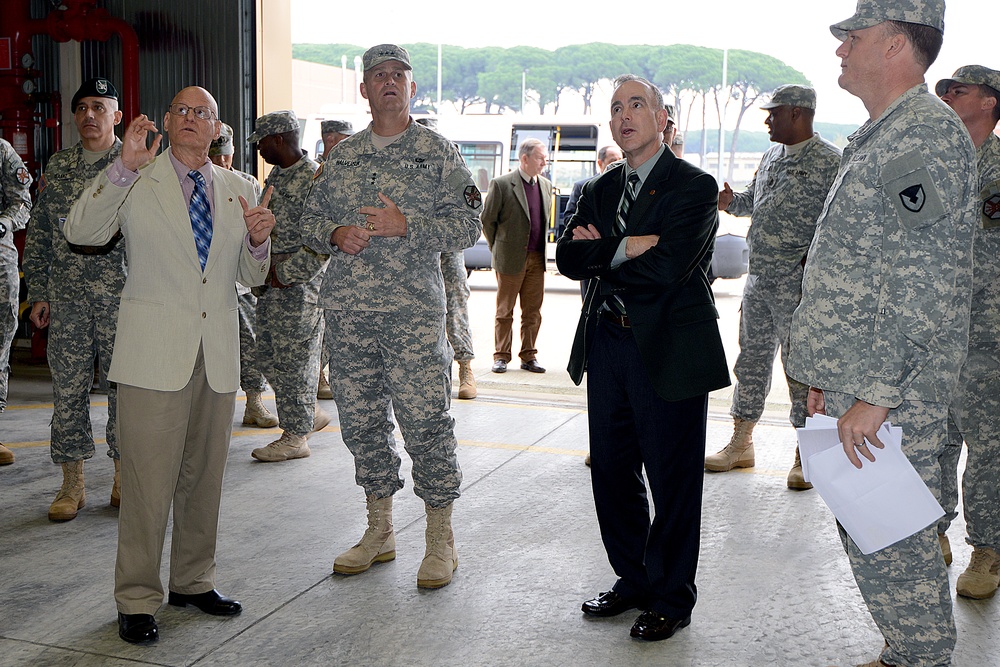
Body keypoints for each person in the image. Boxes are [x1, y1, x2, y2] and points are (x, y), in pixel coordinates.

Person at [786, 3, 978, 665]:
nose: (840, 49)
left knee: (897, 546)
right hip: (858, 384)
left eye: (854, 37)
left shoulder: (920, 135)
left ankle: (922, 656)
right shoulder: (881, 134)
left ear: (895, 43)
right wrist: (826, 377)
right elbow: (862, 272)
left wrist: (874, 392)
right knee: (874, 537)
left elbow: (925, 279)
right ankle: (903, 653)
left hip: (894, 396)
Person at [64, 85, 275, 644]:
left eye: (201, 113)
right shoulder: (137, 179)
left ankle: (192, 580)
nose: (190, 119)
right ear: (165, 121)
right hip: (153, 358)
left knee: (203, 481)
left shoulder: (239, 188)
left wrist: (257, 245)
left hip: (216, 359)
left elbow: (251, 279)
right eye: (180, 110)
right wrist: (122, 169)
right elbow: (81, 232)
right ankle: (136, 597)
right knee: (145, 486)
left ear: (216, 127)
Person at [556, 74, 729, 642]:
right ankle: (633, 578)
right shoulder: (601, 188)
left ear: (662, 119)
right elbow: (566, 258)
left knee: (673, 478)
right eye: (615, 107)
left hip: (669, 349)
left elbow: (669, 268)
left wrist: (600, 251)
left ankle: (672, 595)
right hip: (608, 343)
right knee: (611, 470)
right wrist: (629, 246)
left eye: (637, 105)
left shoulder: (694, 187)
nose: (624, 115)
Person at [300, 44, 481, 589]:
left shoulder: (436, 151)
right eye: (378, 75)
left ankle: (440, 541)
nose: (388, 83)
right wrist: (334, 233)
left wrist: (411, 226)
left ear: (412, 88)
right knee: (361, 424)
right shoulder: (345, 156)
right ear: (363, 89)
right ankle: (379, 530)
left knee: (426, 425)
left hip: (412, 318)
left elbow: (470, 225)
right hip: (350, 314)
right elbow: (310, 219)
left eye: (399, 75)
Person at [704, 84, 841, 490]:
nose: (767, 121)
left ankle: (805, 456)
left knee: (800, 373)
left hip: (800, 289)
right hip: (759, 281)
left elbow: (838, 227)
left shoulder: (831, 162)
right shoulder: (770, 156)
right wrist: (731, 201)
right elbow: (754, 201)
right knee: (751, 364)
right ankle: (741, 443)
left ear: (797, 114)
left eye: (773, 113)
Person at [22, 78, 128, 519]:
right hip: (66, 299)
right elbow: (42, 233)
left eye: (99, 107)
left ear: (116, 116)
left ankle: (126, 475)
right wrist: (39, 292)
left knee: (127, 389)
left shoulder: (136, 165)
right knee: (68, 389)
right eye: (82, 107)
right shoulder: (60, 166)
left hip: (123, 298)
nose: (89, 115)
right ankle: (72, 483)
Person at [934, 65, 1000, 599]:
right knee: (934, 437)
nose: (948, 96)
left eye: (960, 90)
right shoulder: (937, 166)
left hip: (988, 333)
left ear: (991, 102)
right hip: (935, 330)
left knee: (989, 444)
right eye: (945, 90)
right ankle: (932, 531)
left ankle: (987, 547)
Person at [247, 110, 331, 462]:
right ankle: (307, 414)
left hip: (298, 287)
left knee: (296, 362)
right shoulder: (277, 177)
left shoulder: (314, 180)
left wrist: (285, 273)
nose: (259, 150)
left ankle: (296, 436)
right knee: (267, 355)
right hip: (271, 285)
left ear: (279, 139)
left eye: (262, 143)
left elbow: (321, 242)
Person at [209, 123, 278, 429]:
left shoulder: (246, 183)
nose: (221, 164)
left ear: (232, 152)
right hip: (207, 282)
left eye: (225, 158)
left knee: (250, 343)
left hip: (240, 282)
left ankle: (254, 401)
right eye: (216, 158)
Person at [416, 116, 478, 400]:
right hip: (414, 247)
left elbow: (473, 202)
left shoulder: (447, 158)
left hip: (447, 246)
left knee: (455, 303)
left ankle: (465, 367)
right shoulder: (402, 163)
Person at [481, 138, 552, 374]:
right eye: (541, 157)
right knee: (505, 311)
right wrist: (498, 249)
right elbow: (487, 220)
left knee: (532, 312)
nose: (545, 162)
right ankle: (501, 356)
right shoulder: (501, 184)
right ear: (525, 159)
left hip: (537, 259)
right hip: (509, 258)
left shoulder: (545, 185)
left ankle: (529, 356)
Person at [0, 137, 32, 467]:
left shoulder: (2, 151)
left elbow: (23, 202)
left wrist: (3, 223)